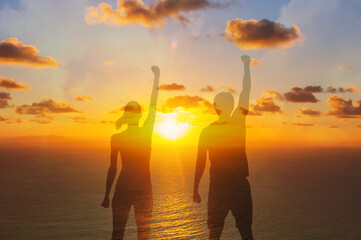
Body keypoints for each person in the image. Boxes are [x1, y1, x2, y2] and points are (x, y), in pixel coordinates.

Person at [193, 55, 254, 240]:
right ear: (232, 106)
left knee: (214, 234)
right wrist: (246, 66)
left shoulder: (206, 132)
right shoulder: (237, 122)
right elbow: (246, 90)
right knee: (246, 233)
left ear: (214, 107)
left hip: (218, 187)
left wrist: (195, 188)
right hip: (239, 186)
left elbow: (200, 162)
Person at [101, 66, 160, 240]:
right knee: (143, 235)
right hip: (143, 189)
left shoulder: (117, 137)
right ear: (140, 115)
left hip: (123, 188)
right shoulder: (146, 132)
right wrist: (157, 78)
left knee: (117, 234)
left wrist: (107, 195)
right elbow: (154, 104)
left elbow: (113, 168)